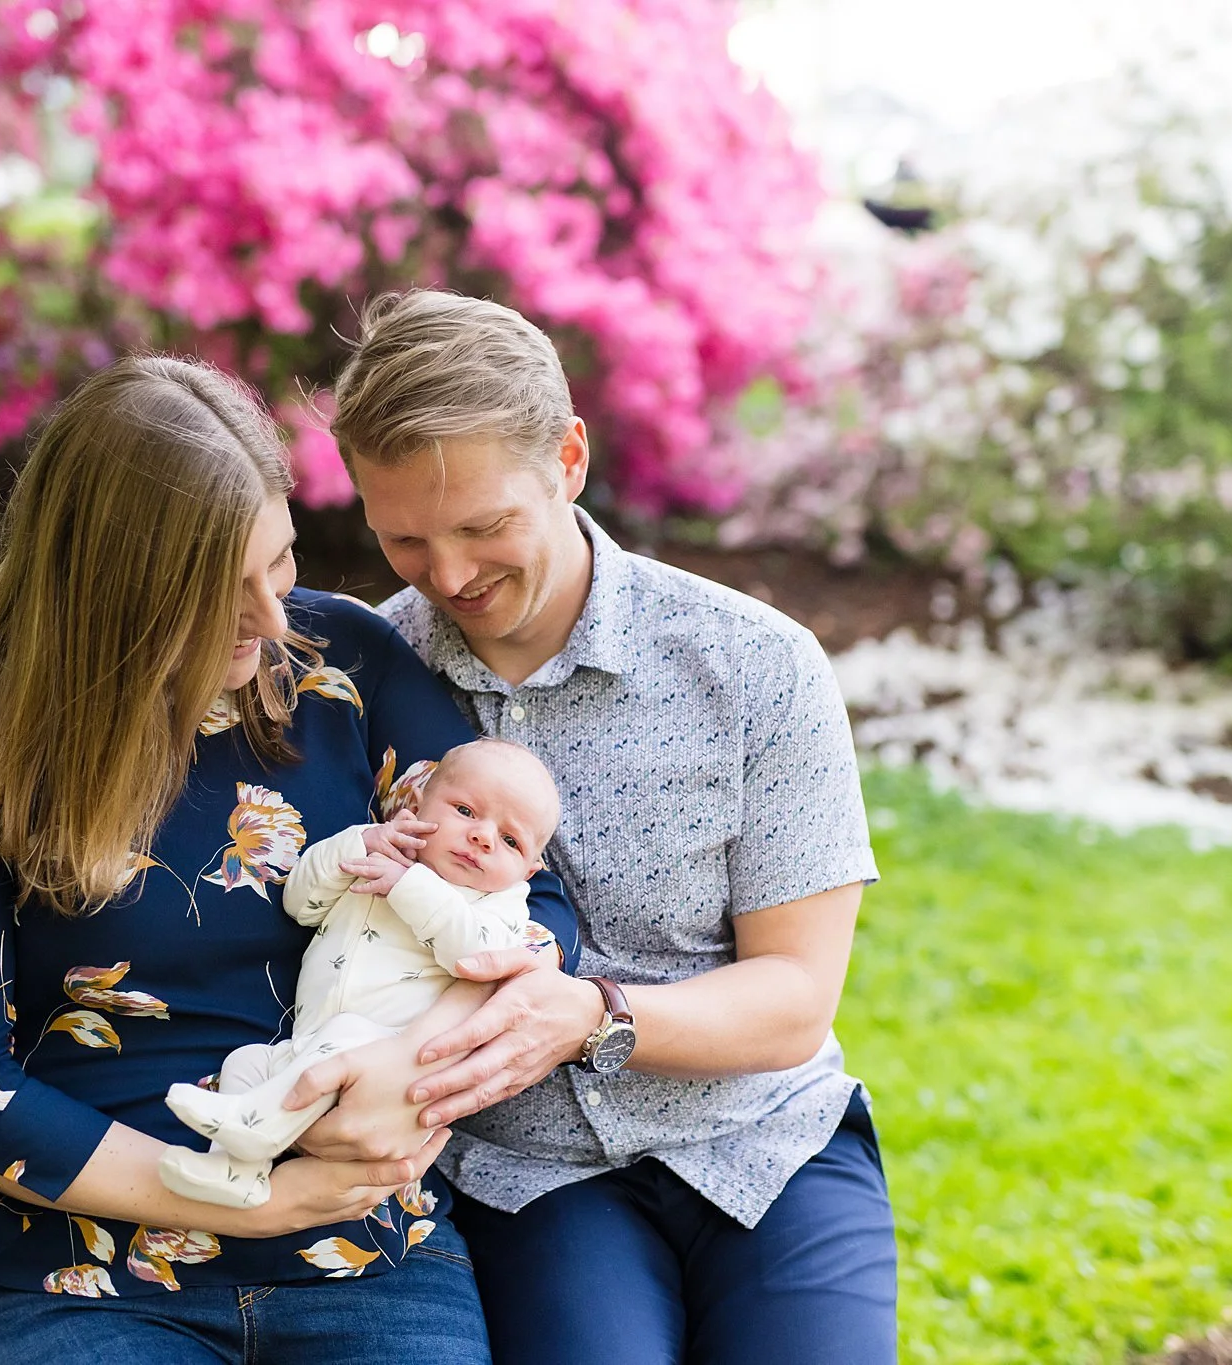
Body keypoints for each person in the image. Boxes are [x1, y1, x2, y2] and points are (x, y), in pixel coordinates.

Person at [0, 355, 583, 1365]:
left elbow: (532, 904)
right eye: (219, 591)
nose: (270, 619)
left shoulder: (342, 668)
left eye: (279, 563)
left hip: (362, 1254)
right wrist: (247, 1204)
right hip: (59, 1270)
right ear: (112, 592)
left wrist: (403, 1075)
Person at [291, 289, 897, 1364]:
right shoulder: (361, 682)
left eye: (484, 528)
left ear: (568, 459)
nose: (450, 578)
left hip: (762, 1141)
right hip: (526, 1177)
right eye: (404, 540)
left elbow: (793, 1002)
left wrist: (588, 1016)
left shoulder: (758, 666)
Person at [160, 738, 562, 1208]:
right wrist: (355, 844)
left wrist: (410, 888)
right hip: (308, 1049)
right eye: (466, 811)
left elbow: (475, 959)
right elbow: (302, 906)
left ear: (529, 871)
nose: (483, 837)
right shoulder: (380, 850)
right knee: (246, 1063)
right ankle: (234, 1170)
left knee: (348, 1032)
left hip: (386, 1069)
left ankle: (256, 1127)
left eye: (510, 841)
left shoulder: (500, 904)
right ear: (417, 804)